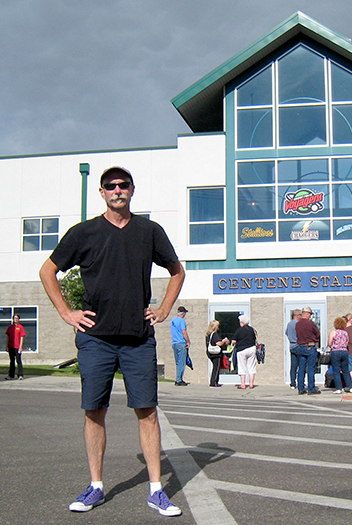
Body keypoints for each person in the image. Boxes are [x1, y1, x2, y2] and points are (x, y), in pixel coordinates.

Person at [38, 166, 184, 517]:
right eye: (110, 186)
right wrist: (67, 312)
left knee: (146, 412)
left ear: (132, 190)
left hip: (137, 339)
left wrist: (164, 308)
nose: (117, 190)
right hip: (96, 339)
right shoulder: (84, 233)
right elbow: (47, 270)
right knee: (94, 411)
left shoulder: (149, 231)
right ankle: (96, 487)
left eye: (123, 185)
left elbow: (177, 270)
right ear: (102, 193)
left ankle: (156, 491)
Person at [295, 306, 321, 395]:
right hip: (310, 346)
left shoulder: (297, 324)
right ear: (307, 314)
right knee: (311, 368)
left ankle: (301, 388)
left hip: (300, 347)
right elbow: (318, 334)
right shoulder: (311, 324)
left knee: (301, 368)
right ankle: (311, 388)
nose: (310, 316)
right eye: (309, 314)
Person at [327, 317, 352, 394]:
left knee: (336, 370)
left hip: (336, 352)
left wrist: (333, 346)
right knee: (345, 370)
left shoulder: (333, 332)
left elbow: (329, 343)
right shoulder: (345, 333)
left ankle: (338, 388)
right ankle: (350, 386)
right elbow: (347, 342)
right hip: (344, 351)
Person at [231, 315, 257, 389]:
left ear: (242, 322)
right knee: (251, 367)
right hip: (252, 349)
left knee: (242, 367)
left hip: (241, 349)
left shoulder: (239, 330)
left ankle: (243, 384)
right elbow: (255, 339)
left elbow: (233, 341)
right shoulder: (252, 329)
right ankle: (251, 384)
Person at [170, 306, 190, 386]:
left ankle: (178, 378)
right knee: (182, 362)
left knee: (178, 362)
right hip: (181, 343)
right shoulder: (182, 321)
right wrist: (188, 341)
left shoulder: (173, 320)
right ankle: (179, 379)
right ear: (183, 313)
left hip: (174, 343)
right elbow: (184, 332)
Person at [206, 320, 229, 388]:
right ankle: (214, 382)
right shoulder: (215, 334)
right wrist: (224, 341)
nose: (219, 328)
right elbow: (219, 343)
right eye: (218, 326)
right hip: (216, 353)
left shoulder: (208, 334)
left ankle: (214, 381)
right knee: (216, 367)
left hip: (210, 353)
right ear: (215, 327)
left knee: (215, 367)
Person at [5, 314, 25, 380]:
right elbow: (8, 336)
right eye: (14, 318)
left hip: (17, 347)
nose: (15, 320)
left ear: (18, 319)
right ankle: (11, 375)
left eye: (17, 318)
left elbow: (22, 337)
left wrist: (20, 347)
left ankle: (20, 375)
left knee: (18, 361)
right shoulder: (10, 327)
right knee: (11, 361)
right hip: (11, 346)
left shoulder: (20, 327)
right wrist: (7, 346)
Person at [285, 309, 301, 389]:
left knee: (293, 366)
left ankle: (293, 383)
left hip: (292, 346)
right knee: (301, 366)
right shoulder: (298, 324)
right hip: (298, 345)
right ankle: (300, 382)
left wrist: (292, 340)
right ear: (297, 315)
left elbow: (287, 335)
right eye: (300, 315)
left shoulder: (289, 324)